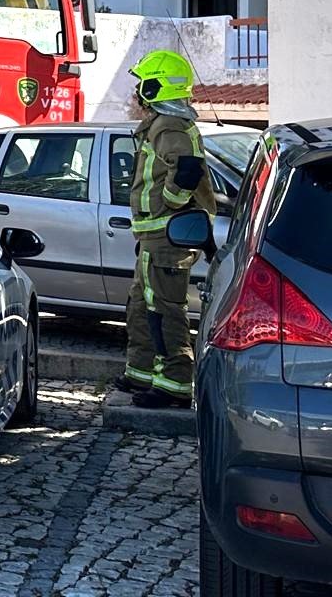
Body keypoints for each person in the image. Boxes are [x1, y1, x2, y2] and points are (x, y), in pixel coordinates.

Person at [118, 49, 217, 409]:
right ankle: (141, 372)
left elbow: (186, 171)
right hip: (155, 236)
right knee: (142, 306)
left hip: (167, 237)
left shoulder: (171, 126)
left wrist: (170, 205)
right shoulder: (160, 125)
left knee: (165, 310)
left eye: (141, 85)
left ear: (154, 88)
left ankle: (174, 384)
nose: (135, 93)